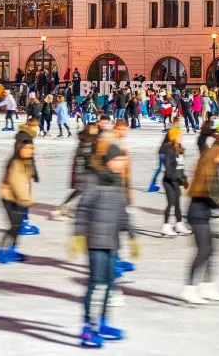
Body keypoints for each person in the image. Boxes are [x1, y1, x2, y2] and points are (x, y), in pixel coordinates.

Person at [72, 143, 137, 346]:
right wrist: (78, 235)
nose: (121, 164)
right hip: (96, 241)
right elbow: (82, 209)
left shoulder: (117, 182)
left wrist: (133, 236)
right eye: (117, 160)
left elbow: (122, 213)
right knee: (95, 284)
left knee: (109, 283)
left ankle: (102, 322)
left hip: (112, 242)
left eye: (122, 161)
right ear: (109, 161)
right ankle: (86, 327)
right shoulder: (94, 180)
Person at [180, 128, 219, 305]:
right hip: (197, 216)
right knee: (203, 251)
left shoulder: (210, 169)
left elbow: (213, 144)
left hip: (203, 215)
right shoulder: (207, 173)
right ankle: (189, 288)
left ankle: (207, 287)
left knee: (211, 250)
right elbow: (215, 197)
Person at [0, 133, 36, 263]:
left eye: (32, 148)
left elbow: (26, 181)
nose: (31, 151)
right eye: (28, 149)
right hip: (8, 197)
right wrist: (26, 199)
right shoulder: (15, 163)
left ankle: (11, 250)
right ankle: (1, 251)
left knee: (17, 225)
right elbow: (16, 183)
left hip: (17, 198)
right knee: (14, 225)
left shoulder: (26, 161)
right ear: (19, 149)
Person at [159, 128, 189, 237]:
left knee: (177, 203)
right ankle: (165, 226)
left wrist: (184, 178)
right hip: (169, 181)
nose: (181, 137)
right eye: (179, 136)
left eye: (181, 135)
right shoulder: (169, 149)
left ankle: (179, 224)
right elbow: (168, 169)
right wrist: (176, 178)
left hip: (176, 180)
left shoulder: (180, 149)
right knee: (171, 202)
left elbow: (181, 167)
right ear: (173, 137)